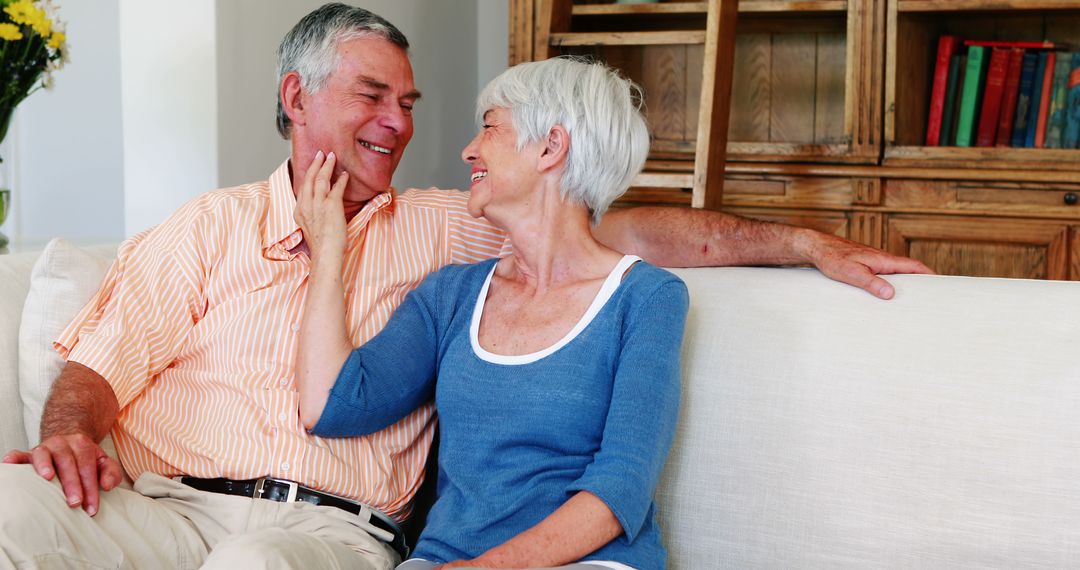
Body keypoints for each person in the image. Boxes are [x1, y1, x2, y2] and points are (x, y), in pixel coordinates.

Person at [0, 3, 928, 569]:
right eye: (372, 96)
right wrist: (71, 435)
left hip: (321, 537)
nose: (402, 124)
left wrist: (802, 241)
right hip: (168, 504)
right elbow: (97, 365)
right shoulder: (205, 228)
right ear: (297, 97)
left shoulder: (449, 230)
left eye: (408, 102)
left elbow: (617, 231)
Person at [294, 57, 685, 570]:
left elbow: (620, 490)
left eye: (489, 128)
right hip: (444, 560)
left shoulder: (648, 298)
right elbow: (331, 405)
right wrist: (328, 255)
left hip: (592, 562)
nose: (469, 150)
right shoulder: (451, 295)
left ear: (551, 146)